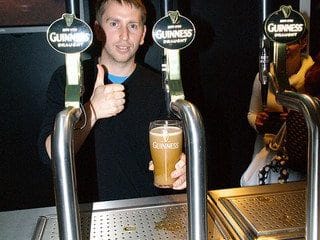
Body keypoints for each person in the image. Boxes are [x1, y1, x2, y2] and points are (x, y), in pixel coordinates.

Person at [38, 0, 186, 202]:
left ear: (143, 35)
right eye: (114, 23)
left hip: (145, 209)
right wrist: (92, 111)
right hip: (84, 213)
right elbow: (51, 155)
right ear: (98, 30)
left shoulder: (161, 86)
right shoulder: (69, 78)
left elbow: (177, 152)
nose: (124, 35)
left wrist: (183, 167)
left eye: (133, 26)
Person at [241, 31, 314, 186]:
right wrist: (258, 122)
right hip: (267, 150)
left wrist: (296, 120)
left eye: (290, 42)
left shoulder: (313, 76)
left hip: (302, 158)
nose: (285, 48)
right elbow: (251, 113)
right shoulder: (264, 76)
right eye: (280, 42)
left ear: (303, 43)